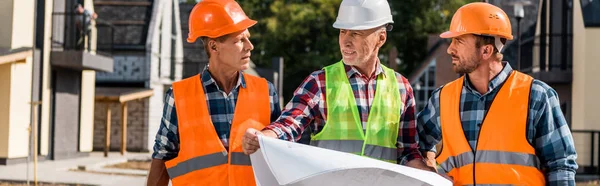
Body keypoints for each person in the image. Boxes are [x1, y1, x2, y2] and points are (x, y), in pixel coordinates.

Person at [242, 0, 433, 171]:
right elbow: (289, 124)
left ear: (381, 38)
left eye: (356, 33)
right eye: (342, 31)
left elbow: (408, 153)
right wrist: (263, 137)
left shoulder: (401, 88)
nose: (346, 41)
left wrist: (431, 176)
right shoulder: (320, 82)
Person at [416, 2, 578, 185]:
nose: (450, 49)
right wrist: (430, 170)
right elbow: (412, 145)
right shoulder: (442, 99)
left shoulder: (537, 96)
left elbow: (561, 165)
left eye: (458, 41)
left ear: (486, 50)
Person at [145, 0, 281, 185]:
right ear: (214, 46)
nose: (250, 46)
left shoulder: (266, 92)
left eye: (248, 38)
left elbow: (280, 151)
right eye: (240, 40)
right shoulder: (179, 96)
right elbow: (162, 155)